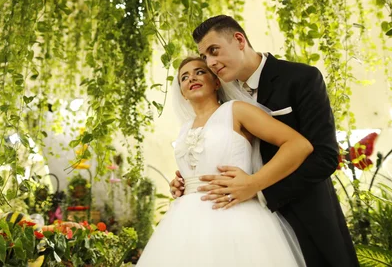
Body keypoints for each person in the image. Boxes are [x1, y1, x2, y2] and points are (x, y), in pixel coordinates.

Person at [171, 15, 359, 267]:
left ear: (239, 40)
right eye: (205, 57)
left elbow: (324, 157)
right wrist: (192, 176)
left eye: (214, 51)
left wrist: (256, 188)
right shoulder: (222, 96)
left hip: (305, 212)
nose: (211, 62)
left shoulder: (301, 78)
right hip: (235, 221)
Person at [138, 56, 311, 266]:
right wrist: (183, 182)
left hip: (235, 216)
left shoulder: (236, 110)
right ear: (182, 93)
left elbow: (298, 145)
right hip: (185, 224)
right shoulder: (184, 129)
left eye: (200, 72)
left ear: (217, 82)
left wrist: (254, 183)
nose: (192, 77)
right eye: (184, 77)